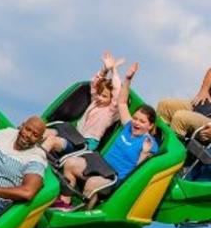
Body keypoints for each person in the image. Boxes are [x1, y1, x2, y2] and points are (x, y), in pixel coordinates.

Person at [53, 63, 159, 210]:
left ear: (150, 125)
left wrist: (145, 153)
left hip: (114, 178)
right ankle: (65, 203)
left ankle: (84, 214)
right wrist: (128, 79)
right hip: (100, 165)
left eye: (142, 121)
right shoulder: (128, 126)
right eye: (136, 118)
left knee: (92, 183)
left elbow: (139, 173)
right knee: (70, 163)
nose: (137, 123)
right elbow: (122, 102)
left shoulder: (148, 143)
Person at [42, 51, 123, 154]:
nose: (99, 97)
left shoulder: (111, 110)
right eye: (99, 94)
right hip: (74, 134)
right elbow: (94, 84)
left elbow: (117, 91)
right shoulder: (95, 101)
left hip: (87, 142)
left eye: (104, 96)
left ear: (111, 99)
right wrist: (105, 69)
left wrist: (114, 70)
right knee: (46, 132)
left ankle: (36, 157)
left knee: (52, 141)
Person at [157, 67, 211, 143]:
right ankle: (154, 144)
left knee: (181, 118)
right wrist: (204, 90)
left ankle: (172, 152)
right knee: (165, 105)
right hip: (203, 106)